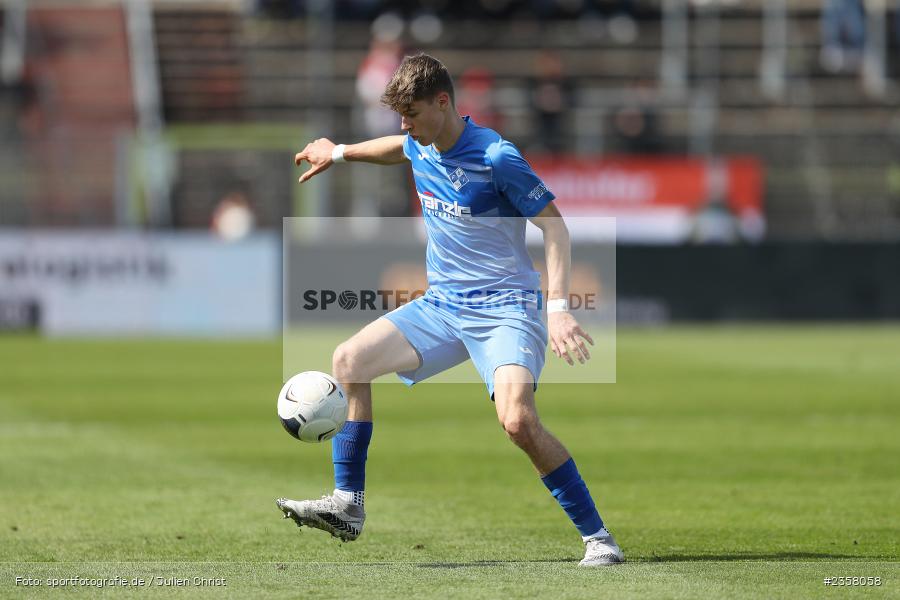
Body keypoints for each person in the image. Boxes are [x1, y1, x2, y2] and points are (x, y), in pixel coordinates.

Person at [276, 53, 624, 567]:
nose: (405, 125)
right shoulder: (419, 142)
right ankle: (349, 504)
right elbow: (398, 148)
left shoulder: (497, 156)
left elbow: (555, 228)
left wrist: (557, 309)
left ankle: (599, 539)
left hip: (505, 309)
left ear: (444, 103)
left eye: (412, 113)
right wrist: (341, 152)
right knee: (349, 360)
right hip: (442, 306)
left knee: (517, 423)